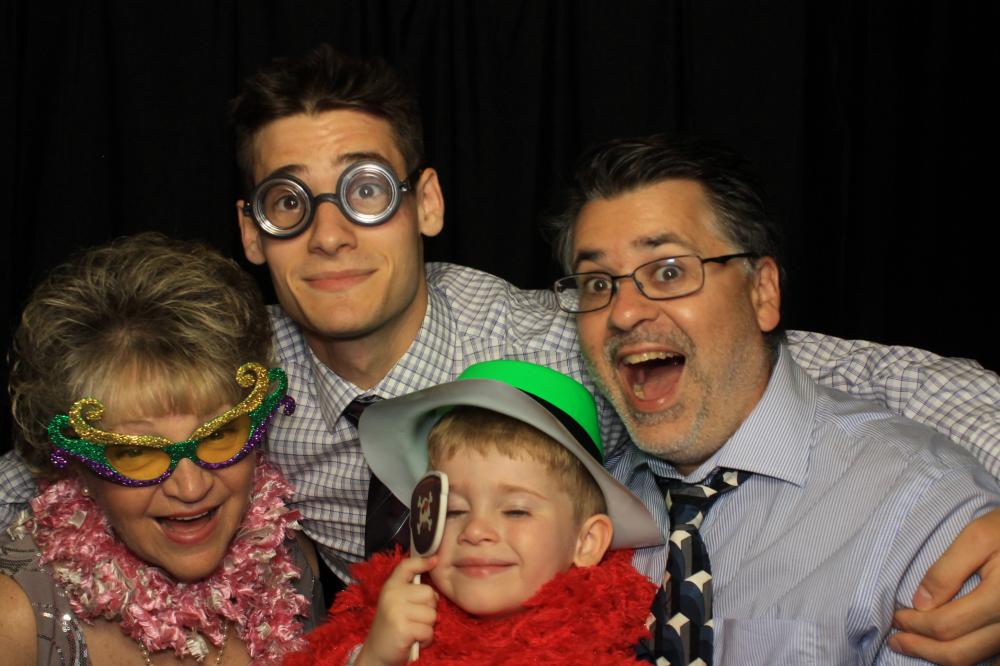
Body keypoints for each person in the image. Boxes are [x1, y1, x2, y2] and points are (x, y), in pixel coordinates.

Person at [1, 43, 998, 659]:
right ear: (250, 234)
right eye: (288, 204)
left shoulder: (554, 338)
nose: (331, 235)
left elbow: (783, 362)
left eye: (365, 191)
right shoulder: (239, 383)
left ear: (426, 203)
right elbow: (63, 457)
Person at [547, 134, 1000, 664]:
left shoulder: (926, 511)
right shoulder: (573, 510)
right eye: (598, 284)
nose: (623, 313)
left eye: (669, 271)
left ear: (762, 292)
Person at [0, 233, 322, 665]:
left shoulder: (291, 563)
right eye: (136, 452)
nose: (191, 488)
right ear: (78, 465)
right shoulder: (15, 619)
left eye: (218, 434)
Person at [286, 359, 664, 665]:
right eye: (454, 511)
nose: (475, 530)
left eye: (515, 511)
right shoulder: (383, 623)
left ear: (587, 541)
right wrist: (377, 658)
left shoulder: (615, 641)